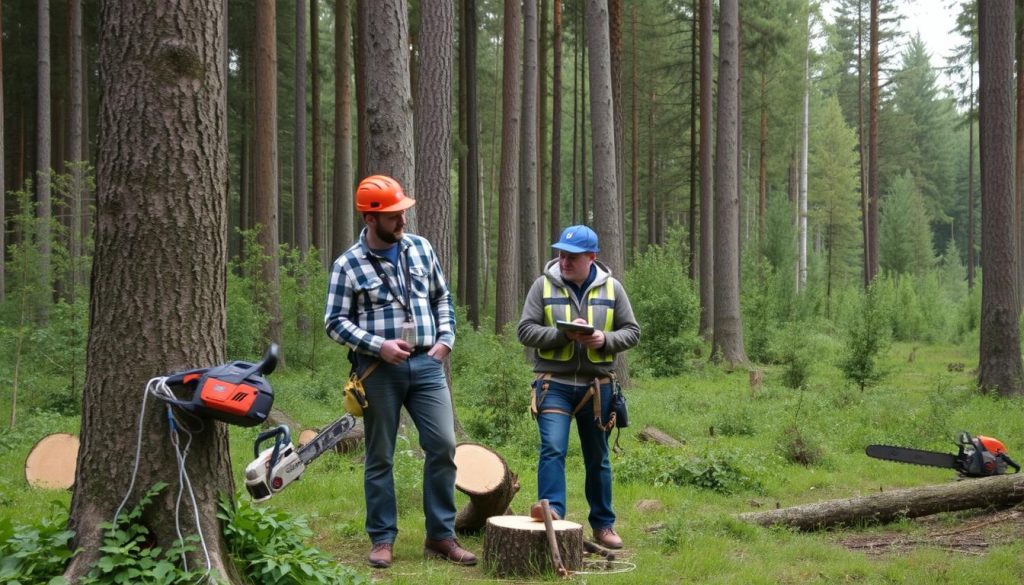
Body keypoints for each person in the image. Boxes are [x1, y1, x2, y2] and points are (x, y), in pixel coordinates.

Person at [324, 175, 476, 569]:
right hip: (378, 369)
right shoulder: (347, 265)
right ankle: (382, 538)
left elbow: (442, 297)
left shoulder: (421, 249)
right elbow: (334, 322)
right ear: (370, 218)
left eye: (402, 213)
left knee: (443, 445)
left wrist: (446, 340)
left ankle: (441, 536)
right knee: (380, 455)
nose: (402, 221)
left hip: (428, 364)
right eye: (393, 216)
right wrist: (379, 346)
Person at [517, 225, 641, 550]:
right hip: (552, 384)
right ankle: (552, 515)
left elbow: (633, 331)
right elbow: (525, 331)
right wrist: (563, 335)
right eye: (560, 254)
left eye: (571, 257)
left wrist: (604, 339)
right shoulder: (541, 286)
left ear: (592, 257)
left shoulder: (613, 289)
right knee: (553, 449)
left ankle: (603, 525)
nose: (564, 261)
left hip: (597, 387)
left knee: (597, 457)